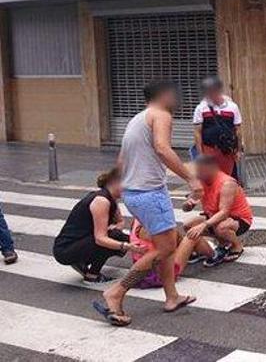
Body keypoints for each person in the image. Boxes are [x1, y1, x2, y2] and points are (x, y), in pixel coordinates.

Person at [93, 79, 201, 327]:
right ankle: (116, 292)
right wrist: (191, 179)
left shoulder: (137, 118)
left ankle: (172, 297)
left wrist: (117, 191)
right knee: (164, 248)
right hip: (149, 193)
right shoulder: (161, 115)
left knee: (166, 246)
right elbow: (163, 149)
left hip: (136, 192)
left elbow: (122, 160)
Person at [53, 169, 144, 282]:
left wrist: (117, 230)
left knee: (118, 236)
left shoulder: (111, 199)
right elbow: (100, 239)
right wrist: (127, 246)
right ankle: (92, 275)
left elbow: (120, 221)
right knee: (115, 238)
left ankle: (83, 261)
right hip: (65, 249)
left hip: (82, 241)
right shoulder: (101, 201)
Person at [181, 154, 254, 266]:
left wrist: (204, 225)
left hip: (238, 219)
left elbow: (224, 212)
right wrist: (188, 205)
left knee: (221, 228)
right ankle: (207, 248)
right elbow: (186, 206)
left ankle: (237, 246)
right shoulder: (200, 181)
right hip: (213, 215)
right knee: (188, 225)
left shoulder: (227, 183)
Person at [193, 76, 242, 179]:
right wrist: (201, 154)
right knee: (210, 180)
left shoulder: (232, 107)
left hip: (227, 151)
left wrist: (238, 150)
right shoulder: (201, 108)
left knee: (228, 180)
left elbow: (238, 130)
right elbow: (197, 132)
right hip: (209, 149)